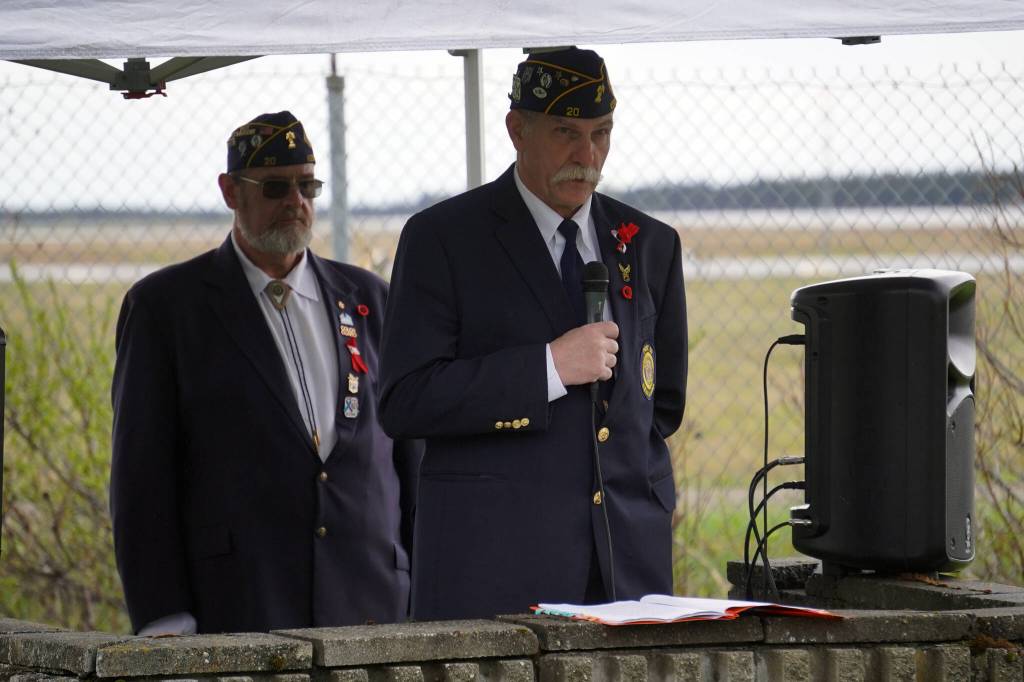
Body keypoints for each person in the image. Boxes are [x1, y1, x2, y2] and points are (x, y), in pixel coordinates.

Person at [379, 47, 687, 620]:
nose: (587, 155)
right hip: (493, 570)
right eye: (566, 132)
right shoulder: (444, 239)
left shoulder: (649, 243)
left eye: (601, 133)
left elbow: (659, 407)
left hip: (626, 575)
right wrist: (546, 368)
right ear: (517, 129)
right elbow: (405, 401)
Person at [110, 111, 420, 635]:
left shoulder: (370, 299)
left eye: (308, 186)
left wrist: (422, 588)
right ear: (231, 192)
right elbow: (141, 479)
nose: (296, 203)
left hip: (370, 605)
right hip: (238, 608)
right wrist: (164, 617)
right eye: (276, 187)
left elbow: (411, 458)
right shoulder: (167, 309)